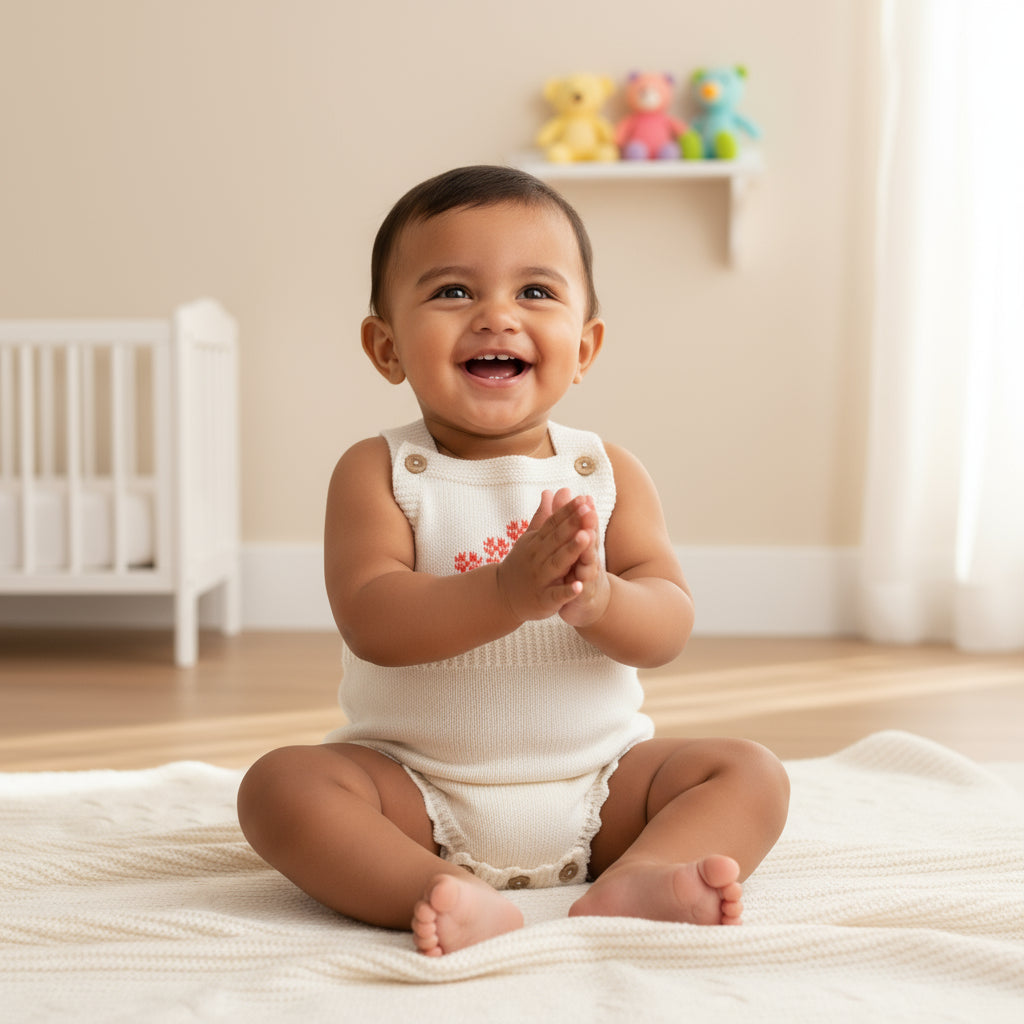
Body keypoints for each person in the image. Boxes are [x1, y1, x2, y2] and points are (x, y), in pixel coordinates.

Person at [237, 165, 790, 957]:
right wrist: (506, 591)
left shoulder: (606, 471)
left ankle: (642, 874)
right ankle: (428, 886)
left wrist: (602, 601)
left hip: (600, 783)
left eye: (535, 292)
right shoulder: (380, 471)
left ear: (586, 346)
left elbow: (667, 620)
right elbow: (373, 619)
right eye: (454, 292)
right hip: (417, 789)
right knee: (280, 788)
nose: (497, 316)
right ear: (385, 346)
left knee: (750, 771)